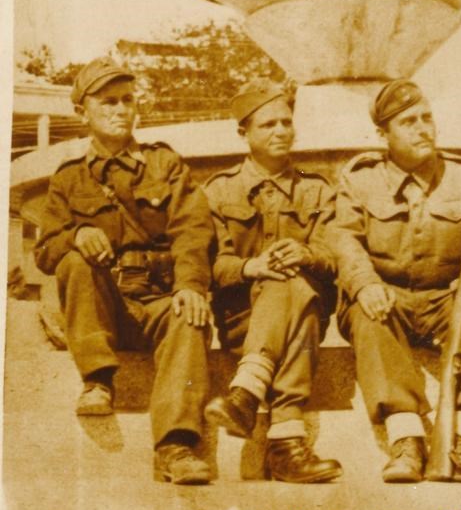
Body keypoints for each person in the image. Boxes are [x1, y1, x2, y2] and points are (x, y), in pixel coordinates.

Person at [35, 57, 214, 485]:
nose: (120, 110)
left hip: (157, 299)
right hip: (105, 309)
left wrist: (190, 285)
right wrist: (76, 234)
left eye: (127, 100)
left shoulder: (164, 164)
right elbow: (44, 251)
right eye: (108, 101)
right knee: (74, 259)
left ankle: (175, 448)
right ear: (82, 112)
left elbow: (193, 229)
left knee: (189, 317)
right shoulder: (69, 179)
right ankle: (98, 381)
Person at [329, 79, 461, 483]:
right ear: (383, 135)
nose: (422, 128)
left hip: (448, 301)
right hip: (387, 299)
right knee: (366, 313)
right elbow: (343, 239)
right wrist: (364, 283)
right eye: (408, 122)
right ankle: (406, 439)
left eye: (426, 118)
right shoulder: (360, 179)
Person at [203, 79, 341, 484]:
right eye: (268, 125)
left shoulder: (317, 190)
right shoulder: (217, 191)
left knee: (294, 285)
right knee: (288, 284)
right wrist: (252, 267)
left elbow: (336, 257)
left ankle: (246, 392)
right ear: (243, 132)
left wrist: (307, 254)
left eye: (286, 122)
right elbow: (209, 266)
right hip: (242, 322)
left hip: (304, 317)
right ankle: (286, 445)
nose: (281, 131)